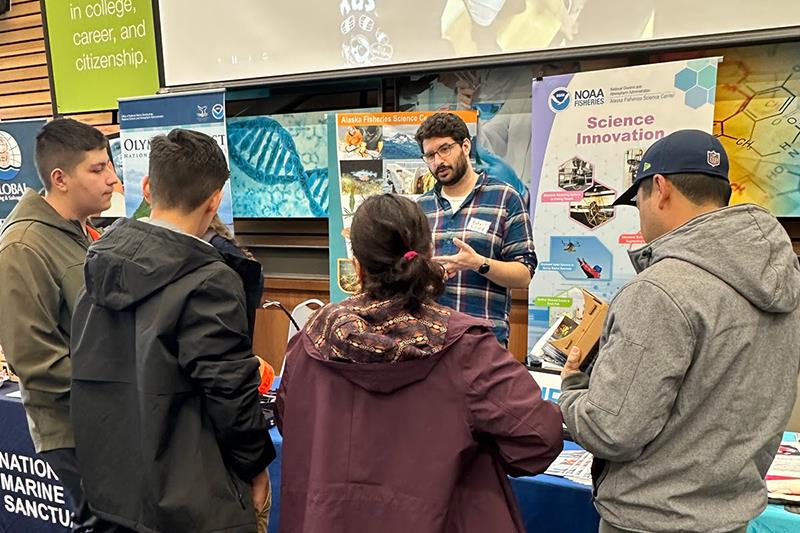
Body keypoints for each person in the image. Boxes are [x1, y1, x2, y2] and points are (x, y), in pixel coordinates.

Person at [558, 130, 800, 533]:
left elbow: (612, 430)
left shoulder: (658, 290)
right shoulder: (784, 281)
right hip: (731, 516)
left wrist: (572, 391)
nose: (640, 214)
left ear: (660, 188)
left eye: (637, 203)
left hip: (650, 520)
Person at [277, 193, 562, 533]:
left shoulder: (311, 340)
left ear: (357, 267)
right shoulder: (466, 348)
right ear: (428, 256)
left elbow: (287, 420)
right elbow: (539, 439)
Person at [70, 129, 275, 533]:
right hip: (193, 502)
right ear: (215, 200)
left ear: (147, 188)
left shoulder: (97, 264)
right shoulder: (210, 281)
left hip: (112, 494)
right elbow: (230, 394)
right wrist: (256, 466)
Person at [0, 118, 116, 530]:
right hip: (73, 427)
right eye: (98, 169)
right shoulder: (23, 245)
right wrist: (116, 396)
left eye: (110, 165)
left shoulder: (79, 232)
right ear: (59, 178)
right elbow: (33, 358)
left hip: (103, 417)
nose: (112, 179)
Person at [415, 112, 536, 345]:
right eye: (430, 155)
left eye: (444, 149)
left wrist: (477, 263)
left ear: (466, 146)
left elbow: (524, 276)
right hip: (430, 344)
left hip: (484, 344)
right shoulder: (420, 208)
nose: (438, 161)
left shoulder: (505, 197)